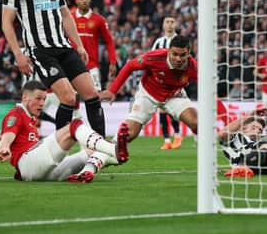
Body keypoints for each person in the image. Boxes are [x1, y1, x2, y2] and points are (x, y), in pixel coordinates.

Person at [2, 0, 107, 136]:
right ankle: (58, 150)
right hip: (41, 51)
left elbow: (65, 14)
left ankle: (102, 148)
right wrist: (19, 54)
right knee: (68, 97)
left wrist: (79, 45)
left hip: (64, 47)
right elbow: (6, 22)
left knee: (92, 94)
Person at [74, 36, 198, 179]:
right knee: (128, 134)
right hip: (148, 94)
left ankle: (210, 153)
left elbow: (209, 89)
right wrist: (113, 90)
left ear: (189, 53)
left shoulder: (193, 67)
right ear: (169, 51)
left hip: (174, 95)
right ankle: (91, 165)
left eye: (183, 55)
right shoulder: (155, 57)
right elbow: (130, 66)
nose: (178, 59)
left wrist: (220, 113)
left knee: (196, 122)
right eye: (174, 54)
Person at [0, 81, 129, 183]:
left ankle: (89, 170)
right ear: (25, 97)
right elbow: (4, 138)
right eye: (38, 99)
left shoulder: (28, 116)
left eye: (44, 99)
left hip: (40, 171)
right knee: (74, 126)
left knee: (91, 152)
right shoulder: (16, 114)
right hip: (29, 162)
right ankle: (114, 150)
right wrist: (5, 146)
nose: (42, 103)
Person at [72, 0, 117, 91]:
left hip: (92, 65)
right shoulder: (70, 18)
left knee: (95, 94)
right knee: (73, 96)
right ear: (76, 1)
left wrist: (113, 62)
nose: (84, 1)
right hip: (73, 63)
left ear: (90, 0)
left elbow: (109, 41)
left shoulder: (99, 19)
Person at [151, 16, 184, 150]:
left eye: (172, 22)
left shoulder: (180, 41)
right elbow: (151, 58)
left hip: (176, 80)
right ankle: (167, 140)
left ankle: (177, 136)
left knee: (173, 109)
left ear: (175, 24)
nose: (170, 25)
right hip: (161, 81)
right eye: (167, 22)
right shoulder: (159, 42)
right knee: (162, 110)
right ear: (163, 25)